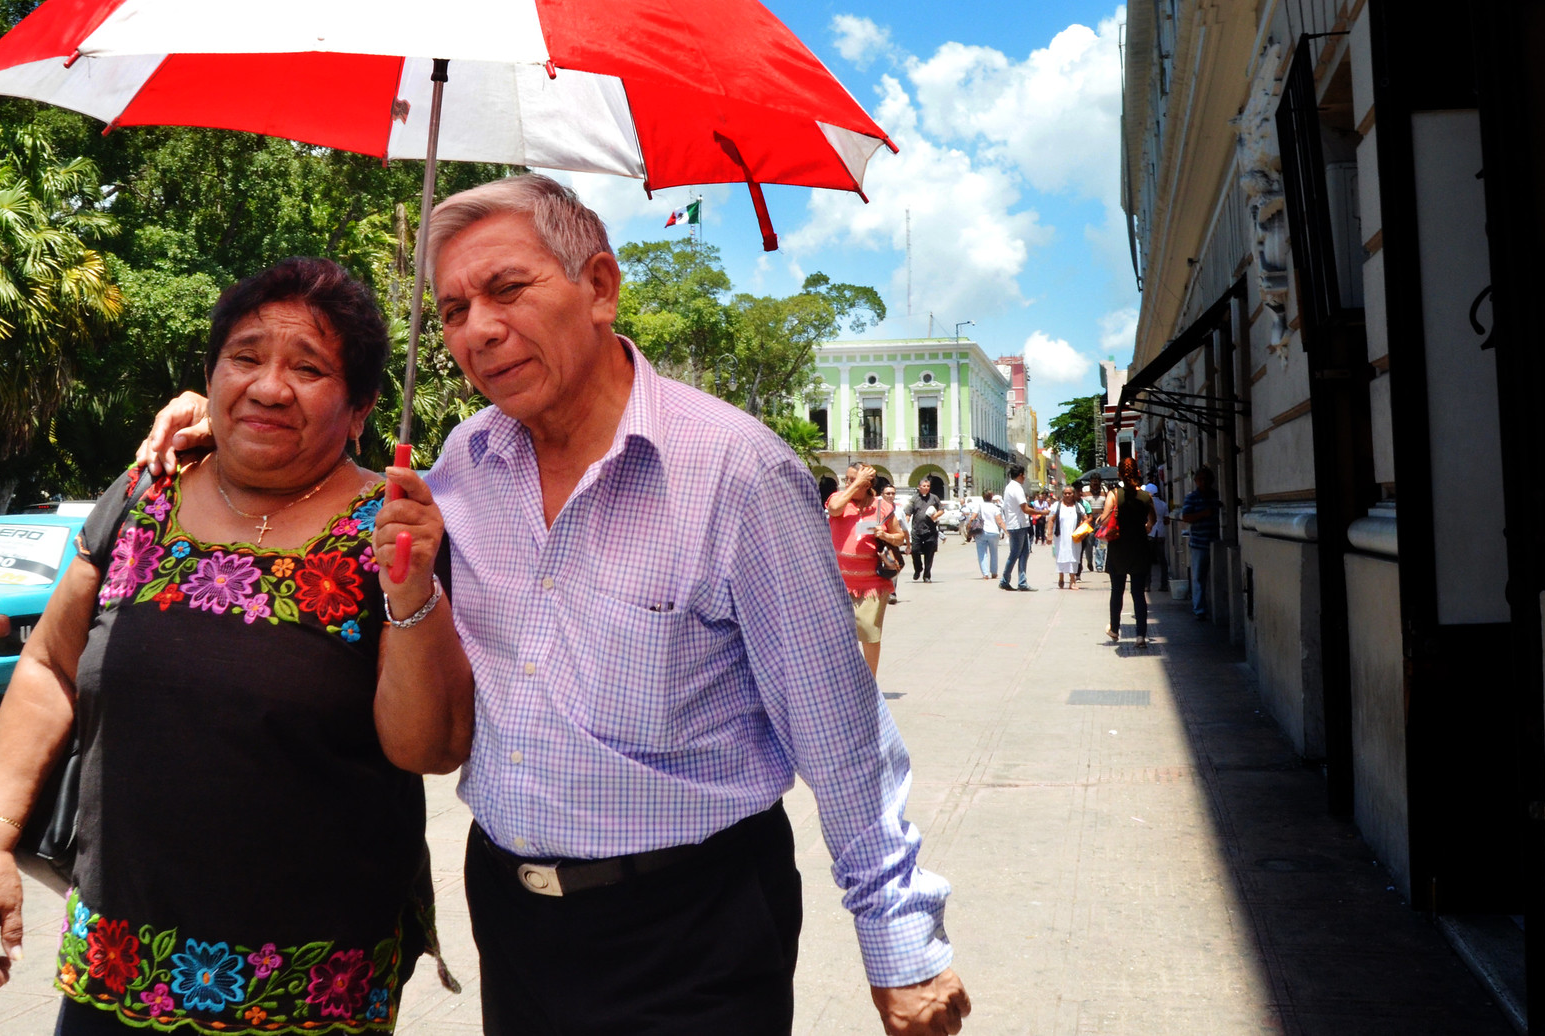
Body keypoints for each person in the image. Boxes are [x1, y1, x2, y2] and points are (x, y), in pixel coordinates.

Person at [139, 175, 969, 1036]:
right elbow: (317, 466)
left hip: (693, 925)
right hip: (513, 911)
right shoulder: (464, 461)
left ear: (600, 288)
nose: (478, 329)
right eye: (454, 308)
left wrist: (899, 942)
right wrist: (219, 419)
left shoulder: (736, 473)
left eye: (507, 289)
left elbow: (839, 732)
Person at [0, 257, 473, 1035]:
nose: (268, 386)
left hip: (312, 986)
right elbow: (50, 670)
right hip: (116, 967)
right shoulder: (142, 494)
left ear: (361, 409)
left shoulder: (398, 531)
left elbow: (427, 748)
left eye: (309, 367)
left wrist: (410, 595)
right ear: (209, 377)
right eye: (245, 357)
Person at [827, 463, 906, 675]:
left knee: (869, 633)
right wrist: (855, 485)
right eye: (847, 479)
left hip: (873, 583)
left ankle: (870, 681)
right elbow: (834, 509)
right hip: (839, 584)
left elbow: (900, 538)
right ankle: (848, 681)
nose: (848, 484)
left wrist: (886, 536)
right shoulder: (839, 500)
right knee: (841, 637)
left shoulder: (883, 508)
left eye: (854, 479)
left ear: (869, 483)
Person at [1105, 463, 1158, 646]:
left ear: (1119, 474)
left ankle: (1114, 629)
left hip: (1118, 548)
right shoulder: (1146, 496)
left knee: (1117, 591)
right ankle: (1140, 635)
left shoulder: (1114, 494)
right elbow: (1153, 520)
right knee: (1138, 593)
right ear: (1138, 473)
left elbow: (1105, 518)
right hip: (1139, 548)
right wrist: (1146, 526)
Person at [1180, 466, 1220, 619]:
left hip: (1215, 542)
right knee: (1198, 578)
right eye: (1200, 479)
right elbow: (1186, 517)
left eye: (1206, 479)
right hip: (1198, 544)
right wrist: (1204, 513)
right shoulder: (1191, 498)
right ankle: (1199, 609)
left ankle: (1215, 606)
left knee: (1214, 577)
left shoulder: (1216, 496)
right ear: (1196, 481)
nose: (1203, 482)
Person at [904, 477, 943, 582]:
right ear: (919, 487)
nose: (926, 488)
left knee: (929, 554)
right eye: (924, 486)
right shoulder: (914, 499)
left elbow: (941, 510)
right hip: (917, 531)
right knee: (915, 551)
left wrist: (935, 516)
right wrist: (903, 526)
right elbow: (908, 513)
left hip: (930, 531)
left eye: (928, 486)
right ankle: (918, 568)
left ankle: (927, 576)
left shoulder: (934, 498)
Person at [998, 477, 1033, 591]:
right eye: (1024, 475)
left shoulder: (1009, 487)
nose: (1024, 478)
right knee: (1015, 554)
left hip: (1018, 525)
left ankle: (1022, 582)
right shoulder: (1016, 488)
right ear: (1020, 475)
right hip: (1017, 525)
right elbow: (1024, 508)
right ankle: (1004, 580)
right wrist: (1041, 512)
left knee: (1024, 553)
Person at [1049, 486, 1087, 589]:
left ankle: (1072, 580)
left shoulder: (1078, 507)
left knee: (1073, 557)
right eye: (1065, 493)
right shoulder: (1057, 506)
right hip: (1060, 537)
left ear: (1073, 494)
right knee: (1061, 556)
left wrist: (1082, 530)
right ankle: (1061, 578)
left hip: (1074, 537)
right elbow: (1051, 520)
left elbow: (1086, 519)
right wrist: (1049, 534)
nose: (1067, 495)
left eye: (1069, 493)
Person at [1144, 479, 1171, 599]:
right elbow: (1167, 520)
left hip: (1149, 533)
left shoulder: (1146, 504)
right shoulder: (1163, 504)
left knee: (1147, 560)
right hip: (1160, 533)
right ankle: (1164, 584)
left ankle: (1147, 585)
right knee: (1162, 560)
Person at [968, 491, 1003, 580]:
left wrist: (969, 528)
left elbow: (972, 518)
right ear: (991, 497)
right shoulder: (995, 507)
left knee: (982, 553)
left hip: (981, 532)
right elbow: (999, 521)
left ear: (982, 496)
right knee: (994, 553)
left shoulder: (979, 505)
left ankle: (985, 574)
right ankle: (994, 572)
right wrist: (1006, 531)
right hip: (994, 532)